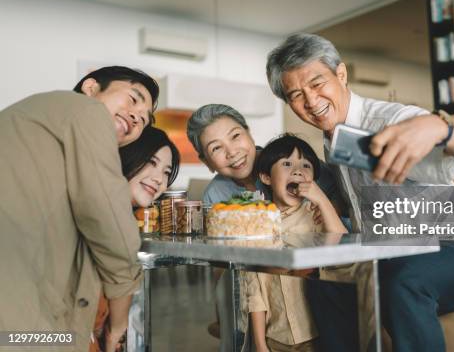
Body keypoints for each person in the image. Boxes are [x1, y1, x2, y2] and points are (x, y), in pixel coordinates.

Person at [266, 34, 454, 352]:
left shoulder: (389, 120)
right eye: (296, 94)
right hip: (395, 255)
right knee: (325, 285)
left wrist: (439, 125)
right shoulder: (331, 140)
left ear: (341, 74)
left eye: (317, 83)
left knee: (401, 283)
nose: (310, 100)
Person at [0, 66, 158, 351]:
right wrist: (118, 327)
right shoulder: (85, 110)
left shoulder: (35, 121)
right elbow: (110, 225)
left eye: (144, 121)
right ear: (91, 87)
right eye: (134, 99)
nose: (137, 117)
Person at [186, 104, 346, 351]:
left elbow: (340, 209)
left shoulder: (291, 162)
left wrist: (326, 206)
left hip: (315, 269)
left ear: (249, 133)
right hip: (259, 283)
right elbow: (223, 266)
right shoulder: (216, 194)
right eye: (216, 148)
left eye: (236, 136)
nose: (232, 152)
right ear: (206, 162)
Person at [247, 134, 346, 352]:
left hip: (317, 333)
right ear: (265, 177)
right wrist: (260, 343)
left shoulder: (317, 215)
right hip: (276, 335)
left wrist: (322, 200)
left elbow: (343, 249)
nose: (298, 170)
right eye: (287, 163)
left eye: (306, 165)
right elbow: (253, 289)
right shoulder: (256, 223)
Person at [91, 126, 181, 352]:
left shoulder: (121, 215)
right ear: (127, 156)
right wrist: (115, 332)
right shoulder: (100, 211)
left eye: (166, 172)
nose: (159, 179)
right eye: (152, 162)